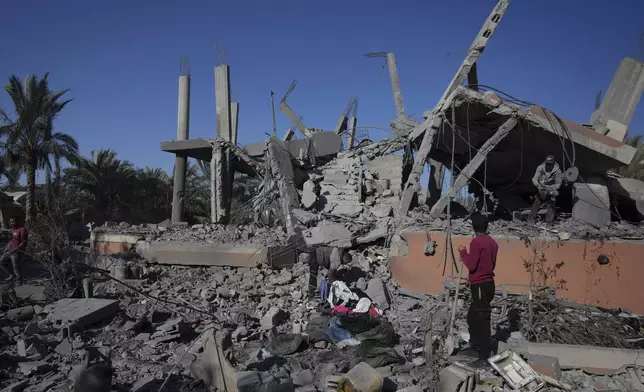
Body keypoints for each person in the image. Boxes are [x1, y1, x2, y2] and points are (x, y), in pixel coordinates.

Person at [457, 214, 498, 366]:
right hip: (488, 284)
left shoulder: (476, 242)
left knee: (482, 322)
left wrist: (463, 252)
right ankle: (476, 347)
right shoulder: (492, 243)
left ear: (473, 227)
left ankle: (483, 358)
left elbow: (472, 265)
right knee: (472, 317)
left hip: (480, 285)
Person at [528, 155, 562, 224]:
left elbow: (558, 183)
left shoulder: (558, 171)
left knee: (551, 205)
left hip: (551, 189)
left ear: (553, 163)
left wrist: (552, 189)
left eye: (550, 164)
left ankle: (549, 223)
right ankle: (530, 220)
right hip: (542, 187)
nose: (548, 165)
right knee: (537, 203)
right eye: (547, 163)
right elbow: (534, 178)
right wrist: (538, 185)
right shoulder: (540, 168)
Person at [1, 216, 28, 282]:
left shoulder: (22, 230)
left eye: (13, 221)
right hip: (9, 251)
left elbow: (24, 242)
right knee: (1, 262)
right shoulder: (12, 230)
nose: (12, 223)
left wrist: (16, 250)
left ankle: (19, 280)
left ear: (17, 221)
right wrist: (7, 248)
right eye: (11, 222)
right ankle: (11, 275)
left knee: (16, 267)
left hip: (16, 252)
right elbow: (12, 240)